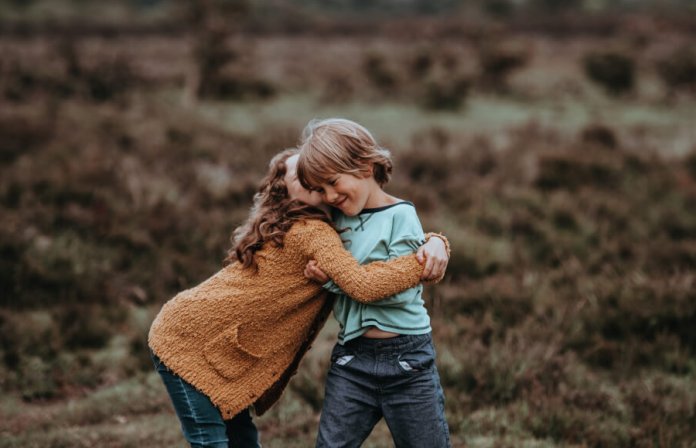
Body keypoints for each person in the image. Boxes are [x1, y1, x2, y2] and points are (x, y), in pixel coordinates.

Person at [148, 148, 449, 448]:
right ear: (285, 191)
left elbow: (376, 231)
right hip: (184, 341)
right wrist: (421, 262)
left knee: (241, 439)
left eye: (316, 172)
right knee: (211, 440)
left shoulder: (330, 221)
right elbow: (363, 283)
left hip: (202, 337)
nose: (311, 175)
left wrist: (435, 241)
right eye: (300, 174)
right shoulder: (312, 232)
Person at [296, 118, 452, 448]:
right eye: (320, 189)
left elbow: (397, 287)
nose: (329, 195)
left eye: (334, 182)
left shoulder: (401, 215)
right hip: (352, 360)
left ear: (365, 166)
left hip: (408, 360)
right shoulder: (335, 223)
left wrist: (334, 281)